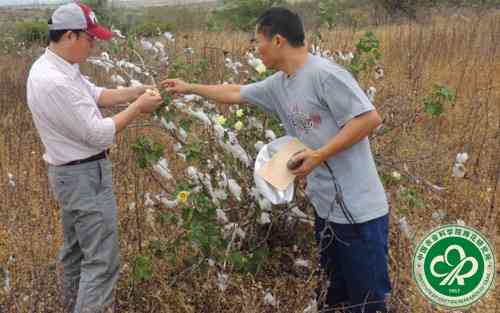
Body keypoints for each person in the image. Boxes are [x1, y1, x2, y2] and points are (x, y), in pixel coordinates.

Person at [161, 7, 391, 313]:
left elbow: (368, 119)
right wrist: (189, 87)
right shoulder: (279, 84)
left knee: (367, 302)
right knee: (334, 296)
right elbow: (234, 92)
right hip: (326, 210)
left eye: (258, 41)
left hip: (360, 212)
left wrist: (319, 154)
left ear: (278, 40)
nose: (256, 49)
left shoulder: (325, 75)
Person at [26, 3, 163, 313]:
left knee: (75, 254)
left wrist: (137, 90)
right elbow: (99, 134)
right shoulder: (55, 81)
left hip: (70, 175)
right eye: (90, 39)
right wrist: (139, 107)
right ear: (71, 36)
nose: (94, 45)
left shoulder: (57, 67)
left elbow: (97, 94)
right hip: (84, 177)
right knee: (101, 263)